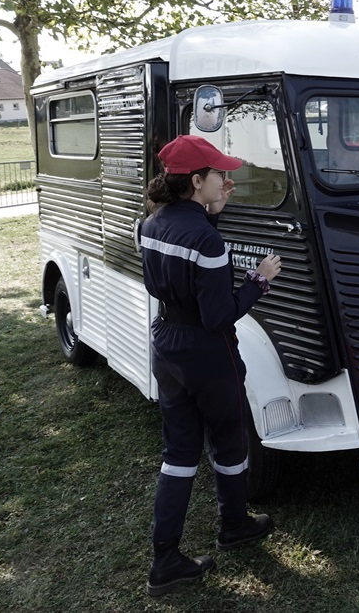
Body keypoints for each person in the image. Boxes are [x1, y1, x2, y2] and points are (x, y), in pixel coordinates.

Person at [140, 135, 282, 596]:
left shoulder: (150, 223)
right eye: (221, 175)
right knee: (230, 437)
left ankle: (165, 560)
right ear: (197, 181)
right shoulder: (207, 240)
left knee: (179, 453)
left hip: (166, 343)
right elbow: (219, 315)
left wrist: (213, 207)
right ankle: (234, 524)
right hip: (208, 350)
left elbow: (161, 279)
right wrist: (259, 281)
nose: (229, 180)